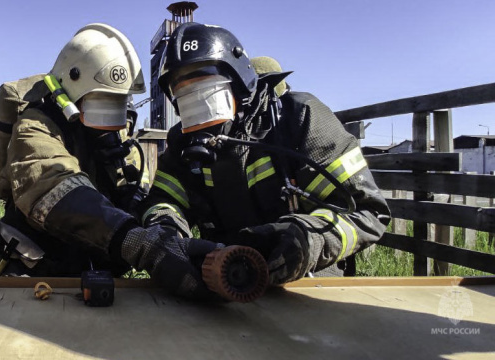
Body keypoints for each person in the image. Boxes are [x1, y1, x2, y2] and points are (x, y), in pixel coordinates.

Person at [138, 22, 391, 286]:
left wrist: (306, 239)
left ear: (239, 83)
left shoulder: (298, 119)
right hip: (224, 281)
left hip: (306, 284)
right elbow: (162, 201)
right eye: (185, 99)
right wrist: (166, 232)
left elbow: (367, 213)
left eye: (208, 95)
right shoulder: (182, 143)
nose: (199, 111)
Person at [0, 23, 220, 299]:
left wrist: (166, 231)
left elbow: (140, 196)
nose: (110, 122)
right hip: (37, 265)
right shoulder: (35, 127)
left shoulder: (119, 139)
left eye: (117, 106)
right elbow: (56, 190)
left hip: (93, 261)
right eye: (101, 105)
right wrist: (139, 244)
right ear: (70, 93)